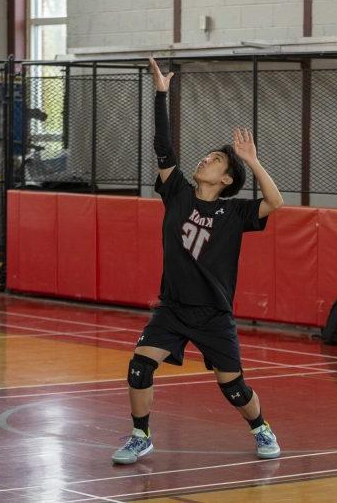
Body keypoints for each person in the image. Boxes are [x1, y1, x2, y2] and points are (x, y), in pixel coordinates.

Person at [111, 58, 285, 465]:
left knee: (234, 388)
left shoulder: (235, 213)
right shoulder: (178, 194)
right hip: (172, 308)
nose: (205, 161)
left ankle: (261, 428)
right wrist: (160, 93)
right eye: (206, 157)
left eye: (215, 160)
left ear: (226, 180)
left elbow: (275, 202)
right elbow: (162, 146)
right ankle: (141, 435)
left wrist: (253, 160)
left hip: (212, 314)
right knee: (139, 367)